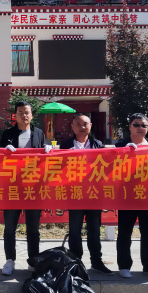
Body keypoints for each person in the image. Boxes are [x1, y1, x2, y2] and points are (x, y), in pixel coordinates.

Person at [0, 101, 52, 275]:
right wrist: (4, 150)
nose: (24, 115)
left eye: (27, 112)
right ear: (15, 115)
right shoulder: (8, 134)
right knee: (9, 227)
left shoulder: (39, 133)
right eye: (20, 112)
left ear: (32, 115)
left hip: (33, 188)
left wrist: (48, 148)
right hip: (12, 187)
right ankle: (9, 260)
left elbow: (46, 157)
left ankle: (33, 260)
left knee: (33, 228)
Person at [60, 113, 113, 274]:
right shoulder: (65, 145)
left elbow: (105, 168)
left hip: (93, 195)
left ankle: (96, 262)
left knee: (94, 231)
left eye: (85, 124)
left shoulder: (98, 145)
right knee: (75, 231)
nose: (82, 127)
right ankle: (76, 263)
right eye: (78, 124)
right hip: (75, 194)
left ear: (90, 126)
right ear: (72, 127)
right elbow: (58, 169)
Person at [115, 113, 148, 279]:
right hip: (127, 196)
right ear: (130, 127)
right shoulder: (120, 146)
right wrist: (124, 152)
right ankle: (124, 265)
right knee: (124, 232)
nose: (140, 128)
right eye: (136, 125)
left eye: (144, 125)